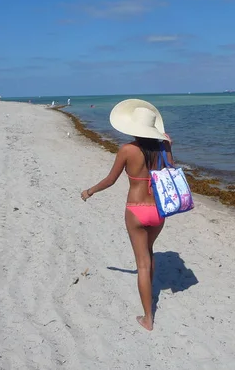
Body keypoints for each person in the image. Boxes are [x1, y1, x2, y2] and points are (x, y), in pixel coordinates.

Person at [81, 99, 172, 331]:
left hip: (136, 210)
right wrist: (168, 146)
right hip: (158, 211)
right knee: (149, 255)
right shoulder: (162, 150)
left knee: (142, 264)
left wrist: (90, 191)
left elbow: (111, 180)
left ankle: (147, 318)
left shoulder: (127, 150)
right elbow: (172, 173)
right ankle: (149, 297)